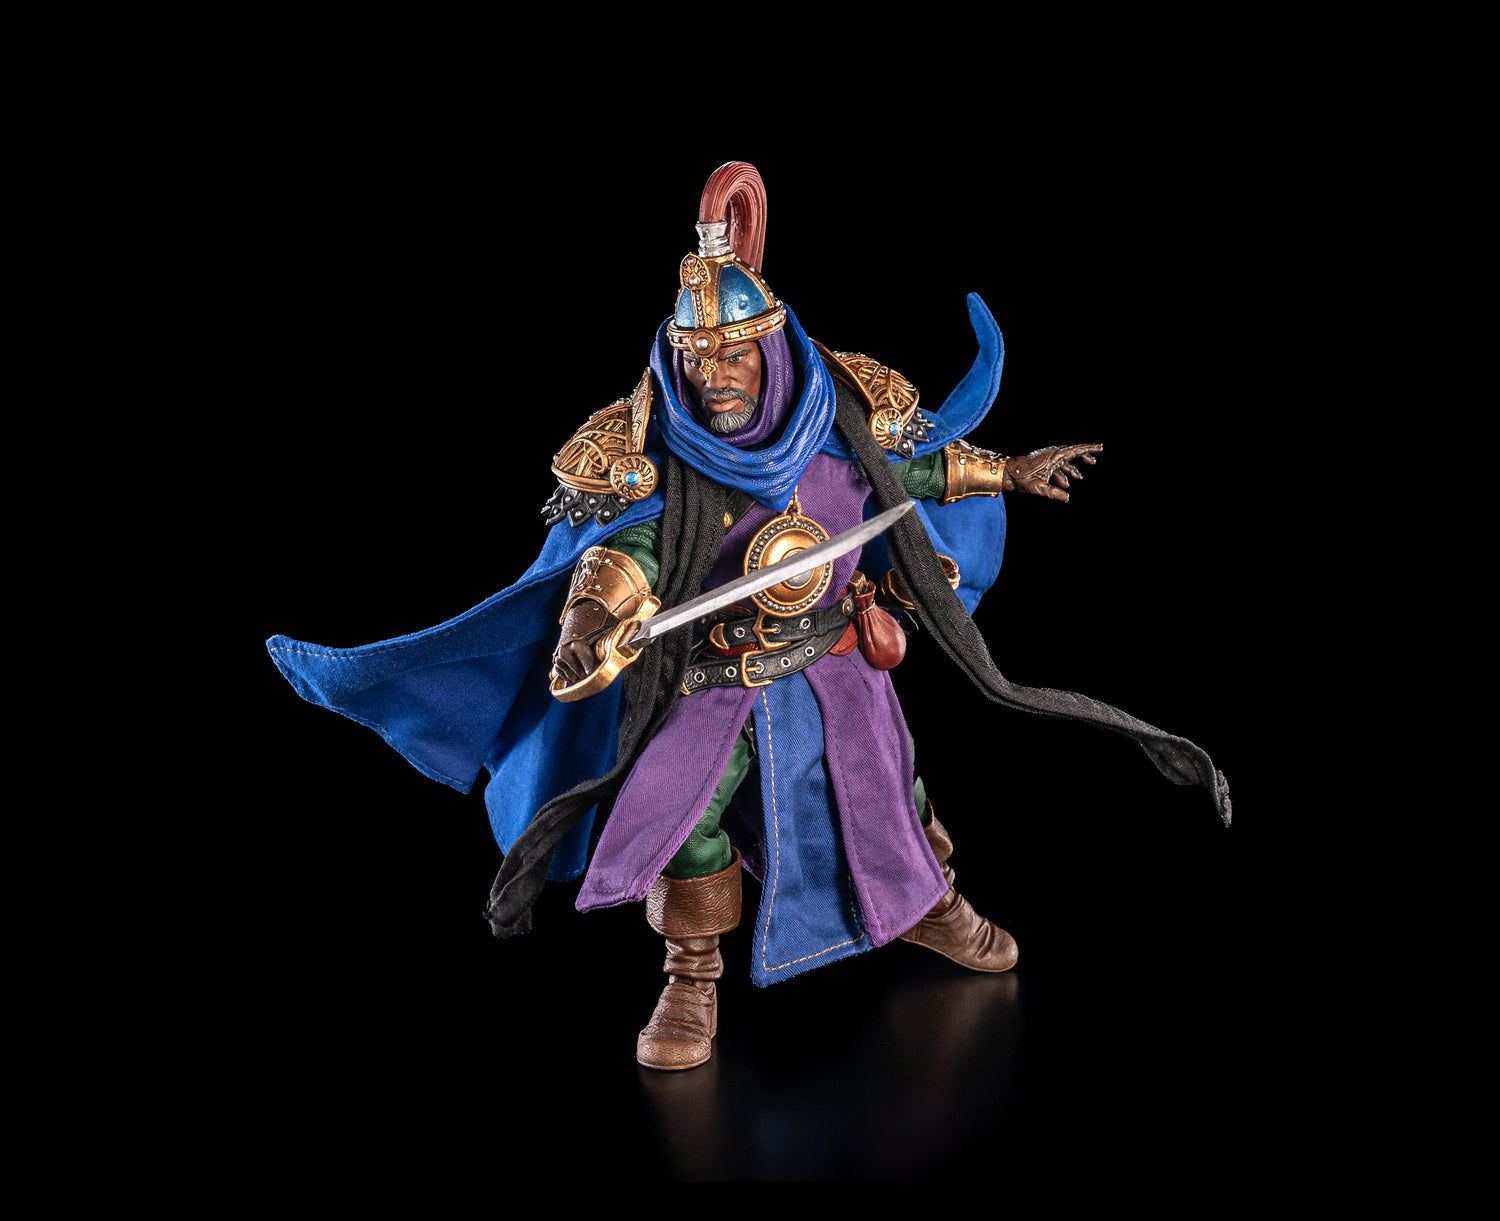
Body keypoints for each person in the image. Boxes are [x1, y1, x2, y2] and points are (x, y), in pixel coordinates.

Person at [267, 161, 1228, 1072]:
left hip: (833, 664)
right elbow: (627, 551)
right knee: (685, 822)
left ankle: (932, 906)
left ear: (769, 346)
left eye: (734, 355)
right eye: (700, 358)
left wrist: (1009, 469)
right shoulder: (659, 454)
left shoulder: (836, 424)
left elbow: (917, 470)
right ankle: (691, 979)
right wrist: (593, 623)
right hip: (713, 681)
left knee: (891, 795)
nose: (717, 378)